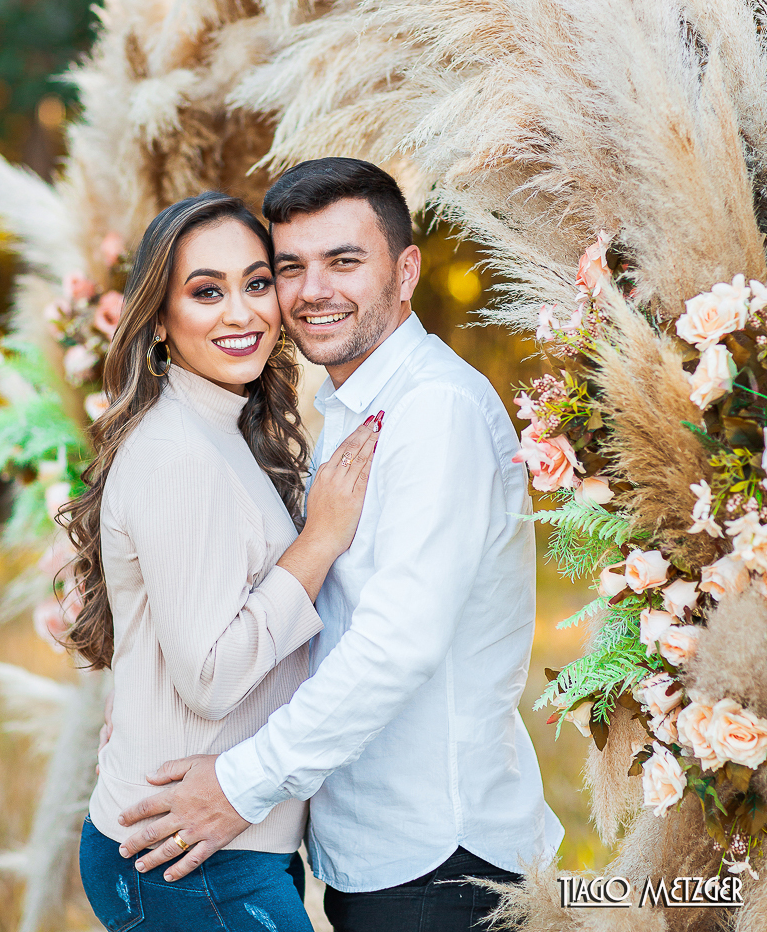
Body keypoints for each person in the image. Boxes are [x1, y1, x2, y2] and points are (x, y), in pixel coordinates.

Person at [116, 158, 564, 932]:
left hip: (438, 857)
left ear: (406, 270)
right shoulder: (349, 407)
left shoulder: (435, 413)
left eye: (345, 261)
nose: (313, 290)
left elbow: (395, 644)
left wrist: (238, 785)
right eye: (290, 268)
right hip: (375, 851)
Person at [65, 190, 380, 932]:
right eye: (207, 292)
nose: (242, 313)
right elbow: (209, 677)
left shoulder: (218, 429)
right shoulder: (180, 453)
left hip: (213, 846)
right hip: (187, 860)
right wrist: (319, 541)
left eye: (257, 283)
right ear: (162, 321)